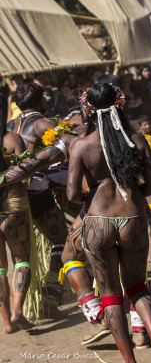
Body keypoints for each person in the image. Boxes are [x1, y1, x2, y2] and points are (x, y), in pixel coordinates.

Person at [66, 83, 151, 362]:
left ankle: (129, 360)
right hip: (134, 217)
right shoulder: (137, 140)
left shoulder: (81, 145)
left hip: (98, 221)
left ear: (87, 109)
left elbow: (72, 194)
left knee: (111, 295)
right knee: (137, 285)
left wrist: (94, 193)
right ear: (120, 105)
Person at [7, 82, 68, 307]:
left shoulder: (8, 125)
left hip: (11, 193)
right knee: (62, 241)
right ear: (42, 101)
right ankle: (52, 293)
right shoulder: (45, 124)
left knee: (19, 256)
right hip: (36, 191)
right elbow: (66, 149)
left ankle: (18, 308)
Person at [0, 113, 34, 333]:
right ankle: (17, 310)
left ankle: (7, 323)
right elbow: (25, 177)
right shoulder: (12, 139)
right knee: (21, 260)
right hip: (13, 204)